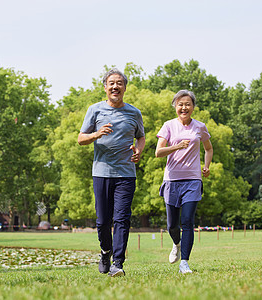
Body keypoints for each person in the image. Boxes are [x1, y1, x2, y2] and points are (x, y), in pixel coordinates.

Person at [78, 68, 145, 277]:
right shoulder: (95, 110)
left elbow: (141, 137)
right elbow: (81, 139)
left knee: (122, 219)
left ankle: (118, 263)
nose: (115, 86)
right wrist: (97, 134)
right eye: (111, 83)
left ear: (125, 87)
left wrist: (139, 151)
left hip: (126, 173)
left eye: (119, 83)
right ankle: (105, 252)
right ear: (105, 87)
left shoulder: (134, 112)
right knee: (102, 221)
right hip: (101, 172)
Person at [155, 90, 213, 274]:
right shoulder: (168, 126)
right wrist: (176, 146)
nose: (184, 107)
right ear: (175, 106)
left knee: (187, 220)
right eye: (180, 104)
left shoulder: (200, 127)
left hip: (193, 180)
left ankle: (184, 262)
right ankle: (176, 244)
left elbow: (208, 148)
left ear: (193, 107)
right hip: (172, 179)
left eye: (187, 104)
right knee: (172, 225)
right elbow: (158, 152)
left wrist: (207, 166)